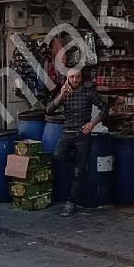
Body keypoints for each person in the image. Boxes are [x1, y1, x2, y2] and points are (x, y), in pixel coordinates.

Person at [50, 64, 104, 216]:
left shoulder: (88, 93)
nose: (75, 79)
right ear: (67, 79)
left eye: (78, 76)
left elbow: (105, 107)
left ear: (82, 78)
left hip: (82, 134)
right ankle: (76, 163)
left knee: (78, 171)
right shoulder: (64, 93)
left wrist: (92, 123)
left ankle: (71, 202)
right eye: (72, 77)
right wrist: (61, 96)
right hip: (67, 133)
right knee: (58, 155)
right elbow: (48, 110)